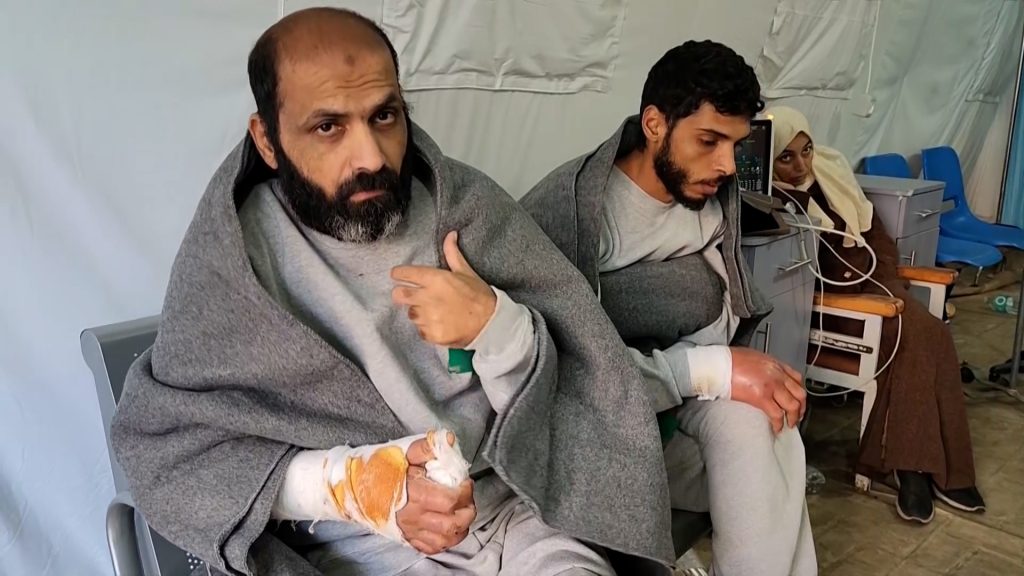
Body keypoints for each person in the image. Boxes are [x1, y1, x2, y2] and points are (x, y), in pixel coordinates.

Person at [110, 9, 677, 575]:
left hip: (518, 514)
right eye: (327, 127)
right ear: (267, 139)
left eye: (384, 116)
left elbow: (579, 382)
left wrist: (499, 329)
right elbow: (168, 450)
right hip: (360, 550)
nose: (372, 158)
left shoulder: (466, 206)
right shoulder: (233, 264)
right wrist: (358, 486)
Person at [521, 41, 817, 576]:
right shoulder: (573, 216)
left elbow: (718, 306)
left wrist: (724, 366)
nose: (727, 165)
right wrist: (713, 367)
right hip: (603, 430)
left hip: (682, 403)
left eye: (736, 144)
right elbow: (561, 373)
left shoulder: (709, 195)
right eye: (708, 140)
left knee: (770, 424)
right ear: (654, 124)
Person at [767, 105, 986, 524]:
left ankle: (914, 467)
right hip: (835, 308)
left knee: (929, 335)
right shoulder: (772, 201)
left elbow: (877, 239)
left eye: (807, 151)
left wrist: (885, 279)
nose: (801, 166)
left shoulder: (831, 176)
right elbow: (812, 273)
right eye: (785, 157)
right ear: (767, 158)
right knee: (925, 335)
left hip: (879, 290)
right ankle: (936, 471)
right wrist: (873, 290)